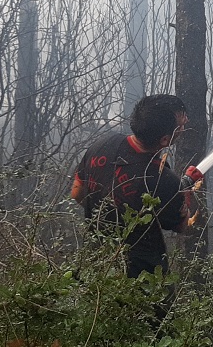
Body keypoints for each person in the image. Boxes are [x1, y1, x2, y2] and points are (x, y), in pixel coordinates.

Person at [70, 94, 204, 278]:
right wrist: (184, 192)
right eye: (181, 125)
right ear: (165, 140)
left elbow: (77, 193)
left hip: (95, 264)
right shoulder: (162, 179)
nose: (186, 122)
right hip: (142, 279)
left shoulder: (103, 144)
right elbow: (182, 226)